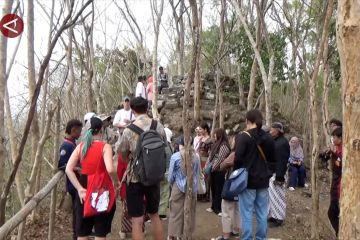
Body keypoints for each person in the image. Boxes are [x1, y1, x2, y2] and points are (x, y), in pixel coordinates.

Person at [118, 97, 165, 240]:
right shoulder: (158, 126)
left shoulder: (128, 130)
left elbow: (123, 153)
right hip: (153, 176)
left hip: (135, 178)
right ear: (147, 108)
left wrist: (132, 162)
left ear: (132, 110)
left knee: (137, 220)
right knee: (154, 215)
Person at [65, 117, 118, 240]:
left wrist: (79, 188)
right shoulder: (105, 147)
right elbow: (110, 169)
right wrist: (116, 182)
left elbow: (68, 169)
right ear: (101, 130)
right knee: (100, 233)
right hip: (101, 189)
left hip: (84, 188)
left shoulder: (81, 146)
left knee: (82, 234)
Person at [234, 109, 276, 240]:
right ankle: (261, 238)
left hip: (247, 181)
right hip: (263, 180)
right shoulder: (268, 137)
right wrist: (268, 174)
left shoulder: (243, 136)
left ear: (247, 121)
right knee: (262, 213)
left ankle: (246, 238)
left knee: (246, 213)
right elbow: (273, 159)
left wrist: (236, 174)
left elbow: (238, 158)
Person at [167, 136, 200, 240]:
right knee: (190, 211)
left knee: (176, 212)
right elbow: (198, 173)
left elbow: (171, 176)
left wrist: (172, 184)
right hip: (192, 187)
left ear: (181, 144)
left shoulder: (175, 156)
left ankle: (173, 235)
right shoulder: (196, 156)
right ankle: (186, 234)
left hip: (178, 186)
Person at [58, 119, 83, 240]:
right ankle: (77, 235)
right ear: (73, 131)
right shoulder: (66, 145)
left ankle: (80, 233)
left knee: (79, 210)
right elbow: (62, 164)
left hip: (78, 182)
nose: (80, 133)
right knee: (77, 212)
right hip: (73, 185)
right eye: (79, 131)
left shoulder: (72, 143)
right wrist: (77, 168)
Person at [214, 135, 241, 240]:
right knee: (237, 209)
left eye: (233, 140)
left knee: (226, 209)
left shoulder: (234, 154)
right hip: (242, 185)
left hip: (231, 183)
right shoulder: (249, 153)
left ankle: (226, 235)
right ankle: (236, 231)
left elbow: (222, 165)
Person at [268, 122, 290, 227]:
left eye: (272, 129)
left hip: (278, 174)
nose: (270, 131)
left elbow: (282, 160)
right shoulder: (276, 141)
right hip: (274, 172)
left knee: (279, 196)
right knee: (272, 196)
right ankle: (273, 215)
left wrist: (279, 177)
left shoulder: (282, 143)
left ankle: (279, 218)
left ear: (277, 131)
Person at [205, 128, 231, 215]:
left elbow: (220, 159)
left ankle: (218, 208)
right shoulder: (216, 144)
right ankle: (213, 206)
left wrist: (212, 168)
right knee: (214, 188)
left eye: (216, 134)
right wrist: (208, 166)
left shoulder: (224, 145)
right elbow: (212, 156)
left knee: (219, 189)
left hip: (219, 171)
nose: (214, 135)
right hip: (213, 170)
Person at [327, 127, 342, 236]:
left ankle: (340, 234)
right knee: (332, 213)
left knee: (333, 213)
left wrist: (335, 155)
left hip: (340, 187)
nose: (332, 139)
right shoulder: (337, 149)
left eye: (334, 137)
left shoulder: (343, 151)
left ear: (340, 138)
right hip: (336, 185)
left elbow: (340, 166)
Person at [159, 125, 174, 220]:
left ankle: (155, 211)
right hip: (167, 172)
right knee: (164, 193)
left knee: (158, 192)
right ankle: (162, 213)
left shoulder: (158, 145)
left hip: (158, 172)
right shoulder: (169, 146)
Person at [197, 122, 213, 202]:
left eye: (201, 129)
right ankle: (200, 193)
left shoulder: (210, 140)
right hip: (199, 160)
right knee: (200, 177)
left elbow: (210, 153)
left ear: (205, 129)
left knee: (206, 178)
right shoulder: (200, 138)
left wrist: (207, 163)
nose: (199, 130)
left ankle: (206, 196)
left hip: (205, 160)